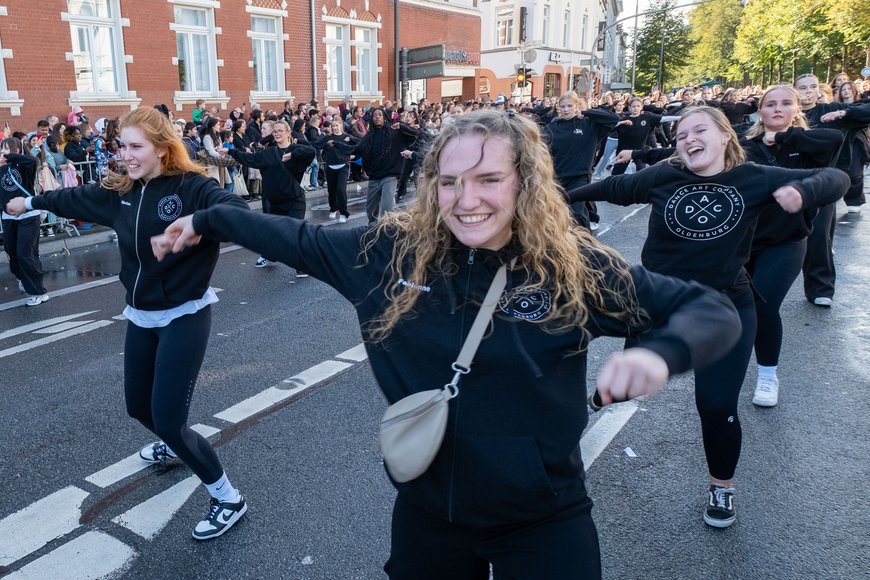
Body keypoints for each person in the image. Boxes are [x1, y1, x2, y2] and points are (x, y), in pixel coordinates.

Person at [152, 109, 742, 578]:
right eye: (450, 182)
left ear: (526, 184)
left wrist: (657, 354)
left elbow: (710, 310)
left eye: (489, 179)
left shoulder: (571, 268)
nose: (467, 200)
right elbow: (291, 237)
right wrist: (205, 222)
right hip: (429, 516)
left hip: (544, 517)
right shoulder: (384, 254)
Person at [569, 106, 849, 528]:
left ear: (723, 137)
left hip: (726, 307)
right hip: (657, 305)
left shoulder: (752, 177)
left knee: (716, 406)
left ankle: (722, 487)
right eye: (681, 135)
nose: (687, 140)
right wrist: (556, 199)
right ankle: (596, 400)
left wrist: (805, 193)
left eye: (699, 131)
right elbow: (612, 187)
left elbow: (836, 178)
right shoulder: (664, 176)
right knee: (621, 387)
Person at [5, 107, 252, 540]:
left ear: (162, 148)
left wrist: (199, 221)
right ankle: (176, 450)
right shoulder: (123, 191)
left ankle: (228, 497)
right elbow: (73, 198)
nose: (126, 154)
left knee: (169, 419)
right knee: (138, 408)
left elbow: (233, 209)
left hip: (185, 315)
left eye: (136, 146)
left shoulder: (193, 187)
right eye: (122, 145)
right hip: (141, 315)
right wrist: (30, 201)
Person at [740, 85, 844, 407]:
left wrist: (784, 138)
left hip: (786, 243)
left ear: (797, 109)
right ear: (760, 111)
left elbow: (835, 140)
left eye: (786, 103)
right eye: (770, 104)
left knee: (764, 305)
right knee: (732, 308)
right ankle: (725, 368)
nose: (778, 109)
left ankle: (768, 376)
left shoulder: (809, 143)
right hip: (741, 243)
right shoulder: (745, 145)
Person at [794, 74, 870, 306]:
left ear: (819, 89)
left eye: (813, 87)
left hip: (823, 183)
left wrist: (846, 112)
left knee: (819, 237)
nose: (808, 91)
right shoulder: (788, 112)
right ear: (794, 90)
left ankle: (820, 288)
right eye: (803, 87)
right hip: (786, 181)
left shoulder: (832, 110)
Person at [222, 119, 315, 275]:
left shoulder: (296, 150)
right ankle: (271, 255)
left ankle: (301, 265)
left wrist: (293, 154)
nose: (277, 133)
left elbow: (311, 151)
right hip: (275, 201)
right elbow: (249, 159)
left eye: (280, 130)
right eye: (275, 131)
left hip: (295, 200)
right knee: (273, 233)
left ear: (288, 133)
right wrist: (231, 151)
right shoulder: (269, 153)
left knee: (295, 233)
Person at [542, 91, 619, 229]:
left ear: (577, 106)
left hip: (579, 177)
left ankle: (585, 243)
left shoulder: (588, 124)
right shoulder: (551, 128)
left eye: (570, 106)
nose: (566, 110)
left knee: (577, 213)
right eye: (563, 106)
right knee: (556, 214)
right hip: (557, 178)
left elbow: (613, 118)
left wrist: (587, 111)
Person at [0, 137, 47, 305]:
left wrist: (10, 157)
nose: (4, 152)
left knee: (25, 254)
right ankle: (23, 277)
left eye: (8, 148)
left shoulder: (25, 166)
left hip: (28, 215)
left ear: (17, 150)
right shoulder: (1, 169)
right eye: (2, 148)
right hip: (8, 217)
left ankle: (38, 291)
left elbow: (31, 160)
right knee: (12, 253)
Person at [352, 108, 418, 224]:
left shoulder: (393, 133)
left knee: (386, 208)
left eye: (380, 115)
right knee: (370, 209)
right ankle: (372, 230)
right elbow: (356, 149)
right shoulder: (369, 137)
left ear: (384, 118)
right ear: (372, 119)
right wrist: (338, 145)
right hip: (374, 176)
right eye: (375, 115)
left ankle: (386, 231)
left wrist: (402, 127)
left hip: (390, 175)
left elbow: (416, 135)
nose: (377, 117)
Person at [312, 118, 358, 223]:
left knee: (341, 190)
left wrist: (352, 145)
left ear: (341, 125)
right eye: (333, 126)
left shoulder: (347, 137)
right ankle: (333, 208)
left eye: (337, 125)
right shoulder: (328, 138)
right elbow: (316, 144)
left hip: (343, 166)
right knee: (331, 191)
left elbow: (360, 143)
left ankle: (343, 213)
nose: (335, 128)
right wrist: (298, 140)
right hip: (331, 167)